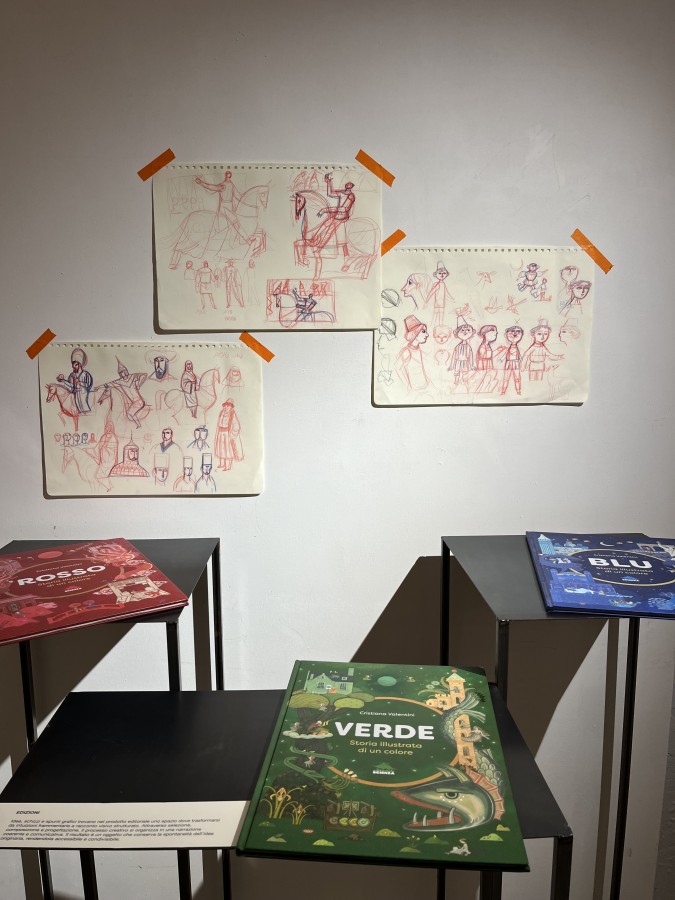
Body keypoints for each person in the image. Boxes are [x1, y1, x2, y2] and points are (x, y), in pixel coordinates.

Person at [396, 315, 430, 391]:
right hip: (415, 390)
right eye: (423, 331)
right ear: (415, 333)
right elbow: (398, 368)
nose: (427, 335)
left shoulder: (418, 350)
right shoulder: (406, 351)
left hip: (424, 387)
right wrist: (408, 386)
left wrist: (428, 383)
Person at [57, 347, 94, 414]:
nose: (73, 368)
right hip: (76, 393)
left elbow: (89, 384)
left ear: (79, 364)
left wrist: (80, 383)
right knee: (78, 408)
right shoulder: (72, 375)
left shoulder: (86, 374)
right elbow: (71, 386)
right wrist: (62, 380)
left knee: (84, 407)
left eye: (75, 366)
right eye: (73, 367)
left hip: (83, 392)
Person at [214, 399, 243, 470]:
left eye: (228, 405)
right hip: (220, 433)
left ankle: (228, 466)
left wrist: (232, 434)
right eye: (225, 405)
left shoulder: (232, 414)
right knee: (221, 449)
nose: (226, 407)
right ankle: (222, 464)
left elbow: (236, 426)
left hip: (227, 434)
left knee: (227, 450)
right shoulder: (221, 413)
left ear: (231, 407)